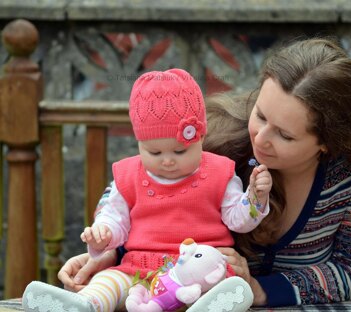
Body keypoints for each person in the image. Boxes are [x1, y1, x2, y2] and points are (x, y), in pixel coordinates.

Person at [55, 38, 351, 308]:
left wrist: (260, 290)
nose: (261, 138)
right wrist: (104, 255)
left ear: (327, 143)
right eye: (260, 115)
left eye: (284, 134)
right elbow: (141, 198)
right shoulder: (220, 147)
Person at [22, 68, 273, 312]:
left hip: (198, 270)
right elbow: (115, 219)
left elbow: (238, 220)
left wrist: (255, 197)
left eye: (179, 151)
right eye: (154, 152)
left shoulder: (220, 172)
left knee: (220, 285)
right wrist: (104, 233)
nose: (167, 161)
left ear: (199, 137)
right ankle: (83, 305)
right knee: (106, 282)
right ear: (139, 143)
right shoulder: (128, 175)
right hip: (138, 269)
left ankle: (211, 306)